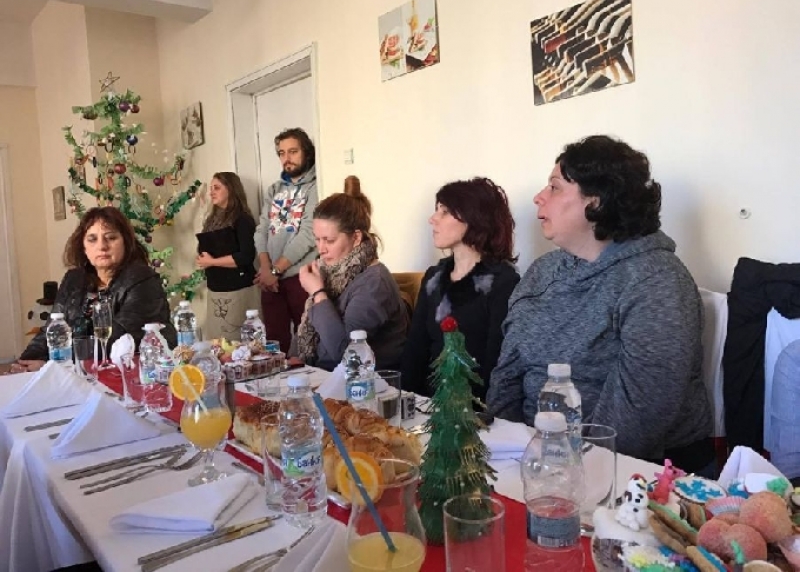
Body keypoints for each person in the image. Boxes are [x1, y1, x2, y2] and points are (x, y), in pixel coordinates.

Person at [486, 135, 714, 474]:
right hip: (531, 456)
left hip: (635, 472)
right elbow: (507, 373)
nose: (539, 197)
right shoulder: (543, 270)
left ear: (597, 201)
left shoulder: (656, 280)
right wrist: (502, 444)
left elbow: (634, 423)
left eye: (555, 187)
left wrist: (549, 470)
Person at [12, 206, 176, 372]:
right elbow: (51, 329)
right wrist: (25, 363)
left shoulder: (142, 279)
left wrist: (51, 365)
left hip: (132, 373)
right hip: (75, 371)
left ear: (126, 242)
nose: (102, 246)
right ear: (83, 247)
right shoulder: (74, 278)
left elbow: (113, 341)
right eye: (92, 239)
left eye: (111, 238)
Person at [401, 177, 520, 402]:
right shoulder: (433, 277)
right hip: (427, 404)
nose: (432, 219)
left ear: (474, 218)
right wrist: (407, 403)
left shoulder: (503, 282)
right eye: (436, 210)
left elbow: (497, 363)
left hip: (474, 409)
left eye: (444, 212)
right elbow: (415, 351)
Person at [293, 175, 408, 371]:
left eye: (329, 240)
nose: (321, 249)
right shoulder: (330, 271)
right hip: (325, 376)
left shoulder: (374, 282)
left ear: (356, 238)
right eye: (317, 239)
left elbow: (346, 354)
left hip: (368, 383)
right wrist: (292, 361)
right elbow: (306, 334)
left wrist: (318, 294)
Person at [254, 128, 319, 353]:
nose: (286, 158)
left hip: (300, 277)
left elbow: (309, 234)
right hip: (271, 280)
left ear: (306, 152)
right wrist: (266, 268)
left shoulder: (315, 187)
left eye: (293, 151)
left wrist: (276, 270)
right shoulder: (274, 189)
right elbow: (261, 229)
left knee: (309, 342)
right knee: (273, 344)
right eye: (282, 153)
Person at [195, 172, 258, 341]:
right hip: (215, 290)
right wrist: (202, 259)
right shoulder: (211, 221)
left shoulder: (242, 220)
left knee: (237, 343)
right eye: (211, 188)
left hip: (238, 290)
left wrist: (212, 261)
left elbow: (245, 256)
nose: (211, 192)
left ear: (231, 189)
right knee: (216, 343)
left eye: (216, 188)